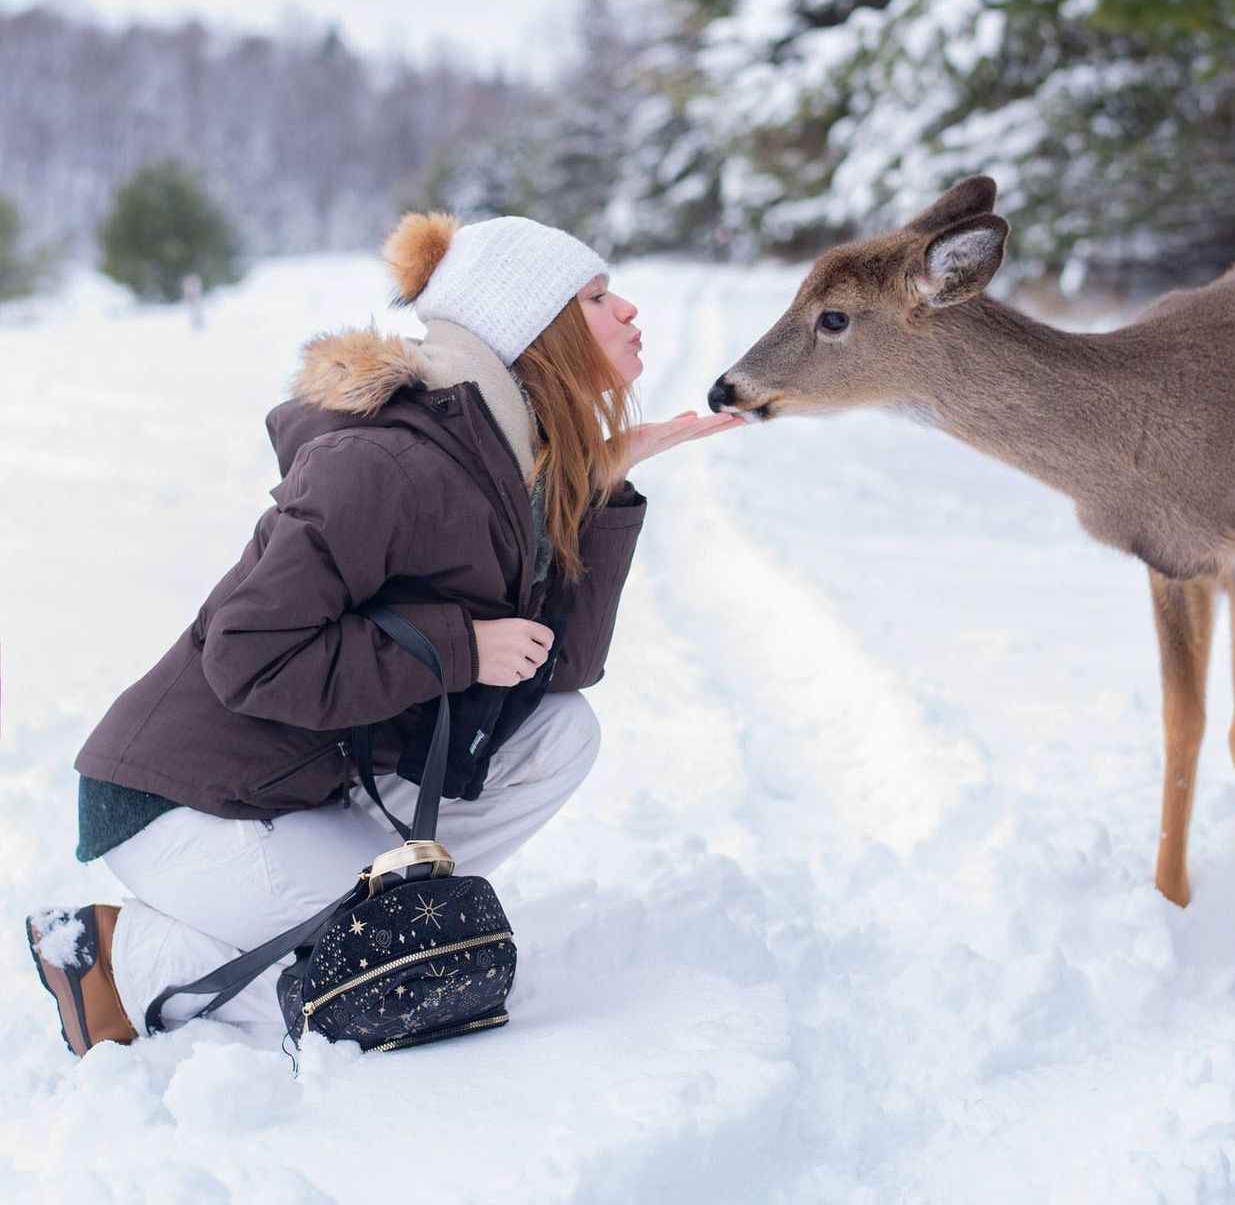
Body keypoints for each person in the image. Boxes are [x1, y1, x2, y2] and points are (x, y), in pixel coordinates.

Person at [26, 212, 742, 1056]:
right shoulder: (384, 462)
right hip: (188, 801)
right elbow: (249, 658)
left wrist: (599, 484)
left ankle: (344, 920)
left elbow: (558, 668)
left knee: (559, 737)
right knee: (410, 977)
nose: (626, 311)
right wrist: (464, 646)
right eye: (595, 296)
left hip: (302, 783)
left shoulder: (508, 460)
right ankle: (120, 957)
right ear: (534, 327)